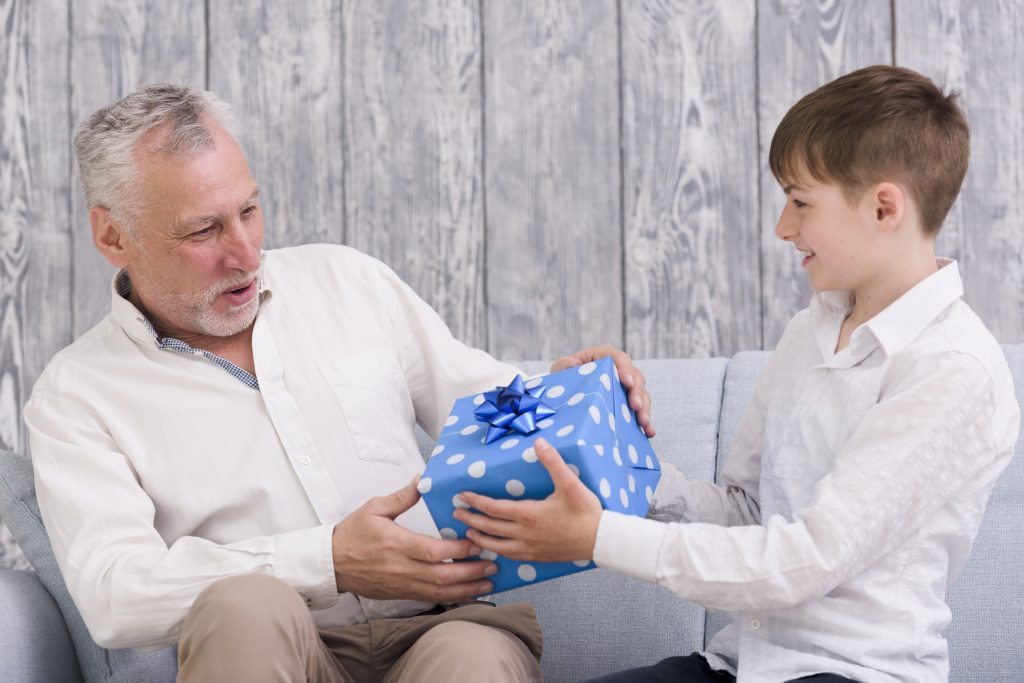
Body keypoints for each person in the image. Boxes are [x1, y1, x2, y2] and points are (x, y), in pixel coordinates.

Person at [24, 83, 654, 683]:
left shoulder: (347, 282)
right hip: (274, 646)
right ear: (113, 236)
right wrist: (329, 561)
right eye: (203, 231)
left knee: (473, 660)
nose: (244, 252)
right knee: (245, 609)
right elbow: (116, 595)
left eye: (248, 209)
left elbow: (489, 410)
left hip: (443, 628)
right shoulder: (77, 394)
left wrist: (567, 396)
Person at [456, 65, 1021, 682]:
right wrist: (614, 452)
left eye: (801, 201)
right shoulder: (810, 330)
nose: (784, 227)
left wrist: (596, 538)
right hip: (737, 665)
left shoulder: (952, 371)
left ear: (885, 206)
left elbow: (806, 559)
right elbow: (746, 513)